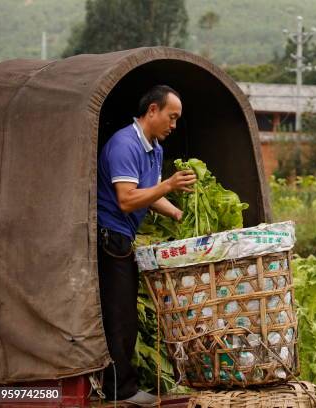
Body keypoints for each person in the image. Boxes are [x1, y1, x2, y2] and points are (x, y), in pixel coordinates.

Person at [96, 85, 196, 406]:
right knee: (119, 314)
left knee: (127, 314)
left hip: (125, 237)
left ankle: (122, 387)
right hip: (110, 235)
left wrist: (178, 212)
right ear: (152, 110)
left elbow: (150, 193)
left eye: (177, 119)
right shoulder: (125, 144)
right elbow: (127, 199)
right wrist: (169, 184)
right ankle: (118, 391)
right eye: (171, 117)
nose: (174, 125)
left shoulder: (155, 148)